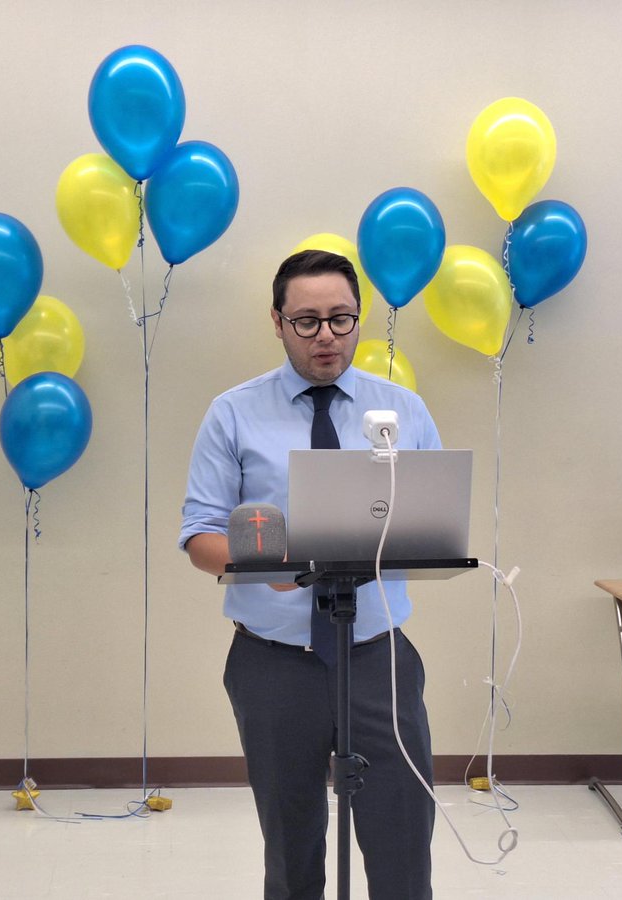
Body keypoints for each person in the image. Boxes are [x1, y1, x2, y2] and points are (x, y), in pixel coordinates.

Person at [179, 249, 440, 899]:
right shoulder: (234, 413)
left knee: (402, 834)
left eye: (341, 318)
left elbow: (434, 523)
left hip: (377, 652)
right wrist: (261, 564)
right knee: (292, 841)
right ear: (277, 321)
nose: (327, 334)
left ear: (359, 319)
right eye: (307, 321)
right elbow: (200, 536)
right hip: (274, 661)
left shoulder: (400, 410)